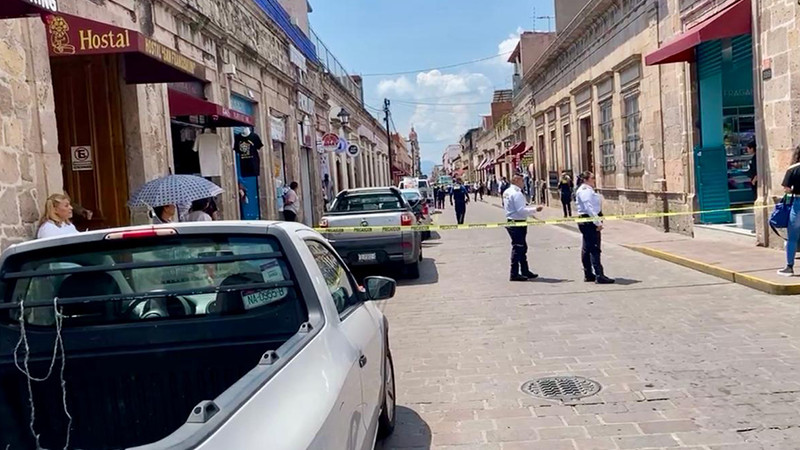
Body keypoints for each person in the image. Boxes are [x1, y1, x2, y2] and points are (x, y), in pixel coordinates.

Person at [575, 171, 614, 284]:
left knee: (587, 248)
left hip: (588, 220)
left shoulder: (587, 190)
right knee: (594, 249)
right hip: (589, 221)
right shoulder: (585, 191)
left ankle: (589, 274)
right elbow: (589, 208)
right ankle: (599, 275)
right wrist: (597, 223)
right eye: (592, 178)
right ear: (586, 180)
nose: (594, 180)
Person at [503, 173, 544, 281]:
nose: (523, 183)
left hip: (512, 220)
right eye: (521, 181)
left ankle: (525, 270)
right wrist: (535, 209)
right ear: (516, 180)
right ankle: (514, 273)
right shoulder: (517, 194)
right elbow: (521, 210)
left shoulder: (507, 191)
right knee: (518, 247)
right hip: (517, 222)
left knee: (522, 247)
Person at [778, 146, 800, 276]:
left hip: (797, 203)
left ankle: (789, 267)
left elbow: (786, 188)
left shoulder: (792, 169)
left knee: (792, 237)